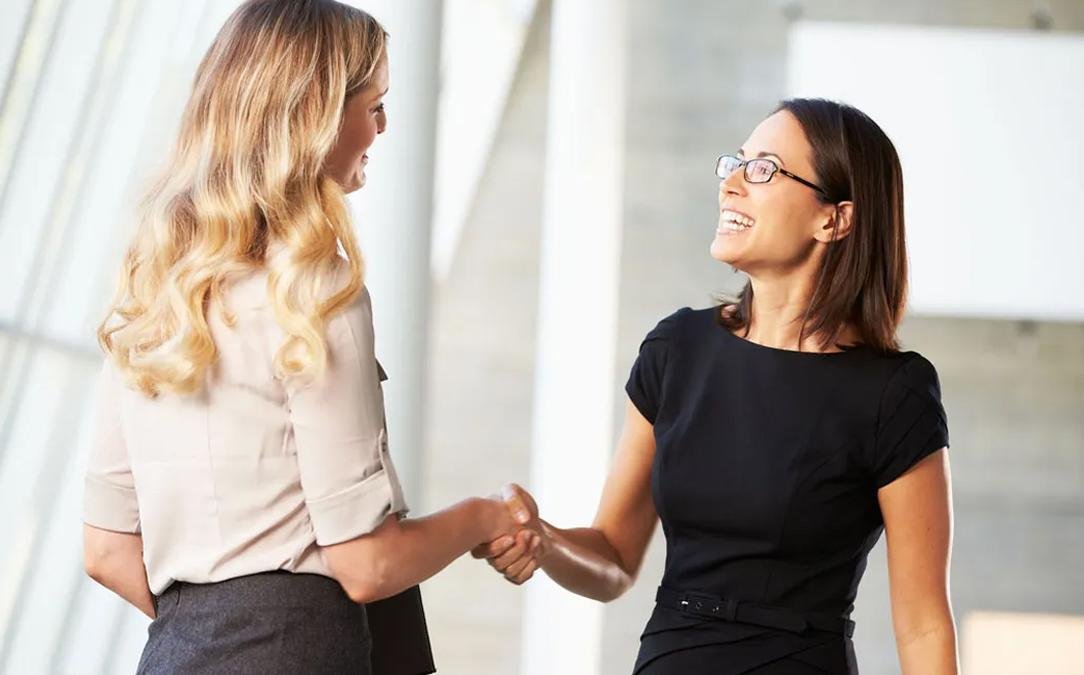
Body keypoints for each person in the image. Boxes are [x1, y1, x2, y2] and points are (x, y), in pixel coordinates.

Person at [81, 2, 521, 673]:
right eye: (373, 104)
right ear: (314, 118)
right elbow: (367, 564)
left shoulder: (156, 289)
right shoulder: (317, 292)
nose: (382, 126)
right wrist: (484, 518)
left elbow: (106, 550)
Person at [475, 98, 959, 674]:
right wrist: (545, 542)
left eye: (764, 169)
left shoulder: (894, 393)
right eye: (736, 161)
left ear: (835, 219)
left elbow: (924, 624)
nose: (731, 182)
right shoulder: (676, 350)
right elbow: (614, 559)